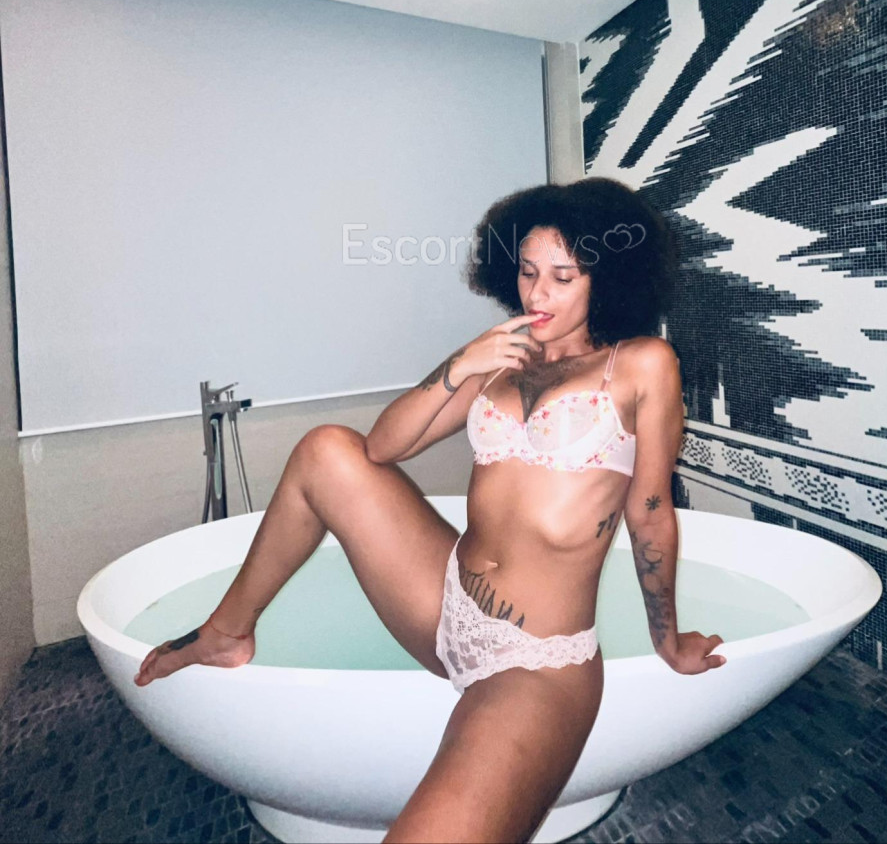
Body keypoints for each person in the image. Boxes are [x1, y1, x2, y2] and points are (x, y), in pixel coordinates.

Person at [134, 176, 726, 843]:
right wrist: (463, 363)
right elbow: (381, 448)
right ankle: (227, 630)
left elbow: (650, 516)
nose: (538, 294)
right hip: (446, 604)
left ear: (607, 279)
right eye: (528, 272)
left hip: (538, 661)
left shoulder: (642, 364)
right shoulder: (501, 357)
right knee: (327, 449)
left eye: (563, 277)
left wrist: (668, 641)